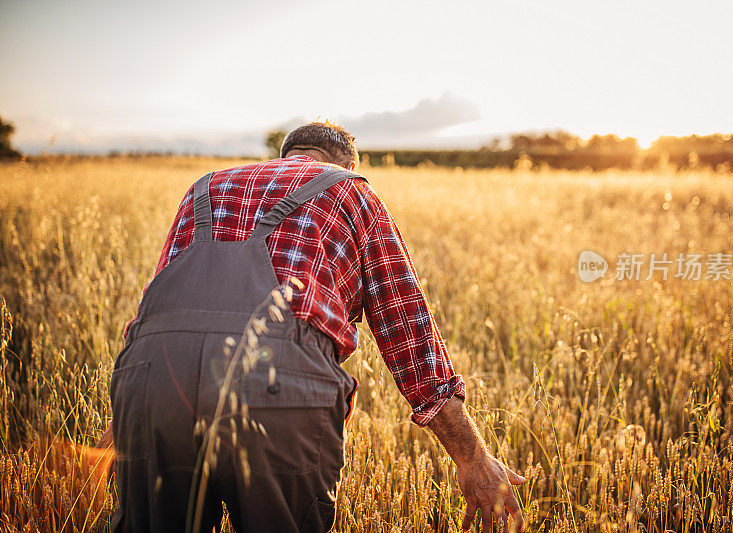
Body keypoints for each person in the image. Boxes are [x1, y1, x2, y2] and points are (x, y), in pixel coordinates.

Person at [108, 121, 525, 532]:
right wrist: (471, 458)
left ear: (286, 156)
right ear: (344, 161)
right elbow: (408, 332)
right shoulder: (349, 187)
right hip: (277, 386)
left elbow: (155, 310)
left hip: (151, 382)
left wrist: (125, 415)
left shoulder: (205, 188)